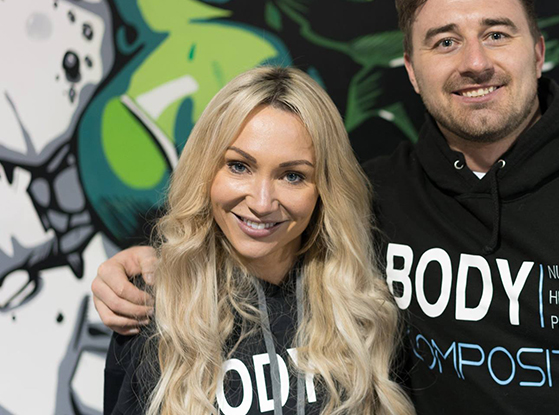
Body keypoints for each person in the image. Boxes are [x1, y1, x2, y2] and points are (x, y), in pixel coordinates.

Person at [94, 0, 559, 413]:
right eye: (444, 41)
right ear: (410, 69)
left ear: (538, 50)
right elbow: (264, 228)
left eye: (496, 32)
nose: (474, 61)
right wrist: (153, 264)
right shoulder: (367, 199)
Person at [101, 66, 414, 415]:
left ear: (324, 188)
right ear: (205, 169)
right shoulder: (151, 308)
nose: (262, 203)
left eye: (292, 175)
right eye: (239, 166)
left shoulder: (362, 309)